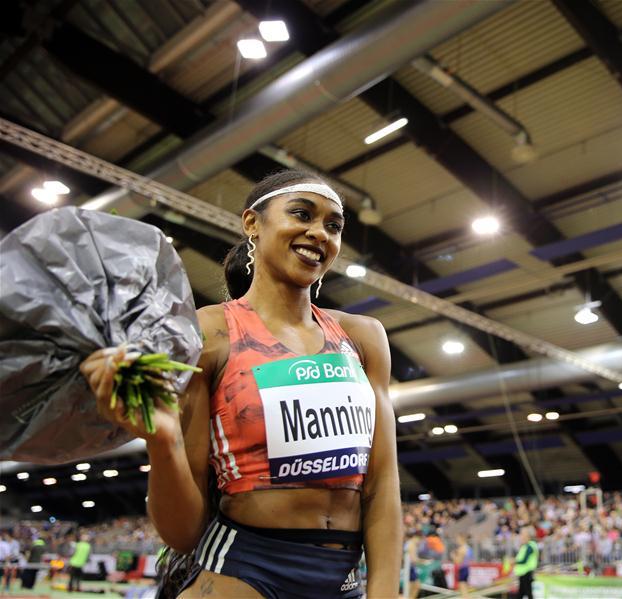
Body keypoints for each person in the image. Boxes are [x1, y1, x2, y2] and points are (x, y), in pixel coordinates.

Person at [80, 170, 402, 598]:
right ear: (252, 223)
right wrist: (161, 442)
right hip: (243, 569)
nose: (318, 233)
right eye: (301, 214)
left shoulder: (363, 337)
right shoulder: (207, 333)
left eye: (333, 225)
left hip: (343, 577)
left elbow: (381, 486)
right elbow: (182, 533)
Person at [513, 527, 539, 599]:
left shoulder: (530, 546)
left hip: (526, 573)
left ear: (528, 536)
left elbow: (524, 560)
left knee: (527, 593)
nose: (521, 537)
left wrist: (514, 561)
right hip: (523, 573)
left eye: (523, 535)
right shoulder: (525, 546)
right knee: (522, 592)